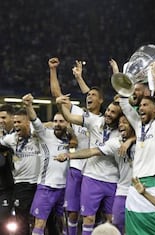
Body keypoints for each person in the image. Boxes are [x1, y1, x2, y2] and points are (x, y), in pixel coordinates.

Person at [49, 57, 105, 235]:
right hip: (76, 168)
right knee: (72, 212)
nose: (89, 97)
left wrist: (81, 79)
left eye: (93, 96)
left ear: (102, 100)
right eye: (88, 96)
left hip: (97, 171)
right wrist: (53, 70)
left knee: (93, 214)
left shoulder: (106, 121)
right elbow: (58, 95)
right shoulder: (79, 113)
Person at [119, 62, 155, 234]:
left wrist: (153, 74)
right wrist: (124, 78)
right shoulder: (138, 125)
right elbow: (124, 104)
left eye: (145, 105)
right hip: (136, 186)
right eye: (140, 105)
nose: (141, 108)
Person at [55, 115, 135, 234]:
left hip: (136, 188)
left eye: (125, 122)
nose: (121, 125)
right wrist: (69, 155)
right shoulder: (115, 142)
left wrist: (131, 140)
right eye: (120, 122)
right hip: (121, 188)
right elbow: (93, 151)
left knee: (128, 224)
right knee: (111, 221)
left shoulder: (143, 140)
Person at [22, 94, 72, 235]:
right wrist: (28, 106)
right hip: (46, 187)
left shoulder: (71, 139)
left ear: (67, 123)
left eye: (61, 121)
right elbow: (35, 121)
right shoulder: (45, 135)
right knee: (40, 223)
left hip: (64, 189)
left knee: (60, 222)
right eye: (55, 121)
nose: (57, 124)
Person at [0, 108, 40, 235]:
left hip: (40, 183)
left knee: (42, 219)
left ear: (28, 122)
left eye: (19, 122)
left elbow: (50, 126)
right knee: (21, 222)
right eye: (15, 122)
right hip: (20, 184)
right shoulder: (10, 139)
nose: (16, 124)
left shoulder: (38, 134)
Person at [0, 104, 15, 234]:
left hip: (18, 185)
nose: (1, 121)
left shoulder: (20, 135)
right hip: (4, 185)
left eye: (4, 117)